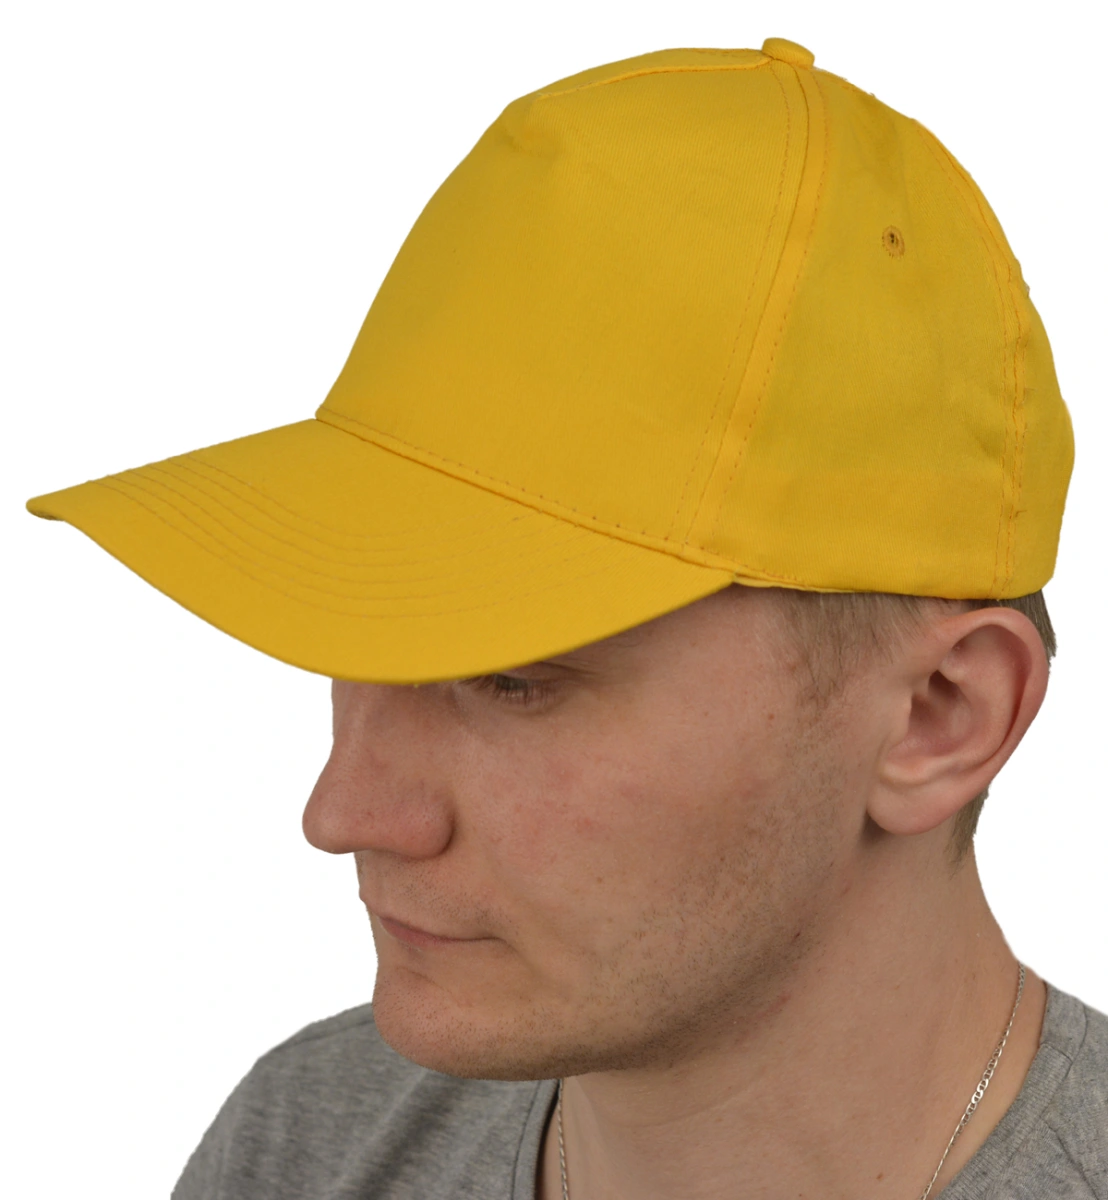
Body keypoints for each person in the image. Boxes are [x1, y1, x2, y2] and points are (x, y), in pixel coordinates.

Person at [27, 36, 1105, 1200]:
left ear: (941, 716)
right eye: (361, 639)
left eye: (512, 680)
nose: (343, 814)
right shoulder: (305, 1146)